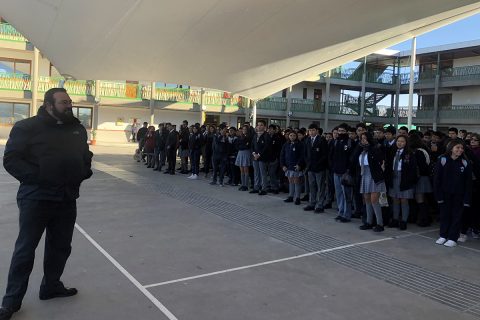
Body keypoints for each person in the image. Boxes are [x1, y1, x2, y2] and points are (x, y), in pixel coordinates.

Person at [0, 88, 93, 320]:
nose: (69, 106)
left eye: (70, 101)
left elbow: (85, 155)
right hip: (36, 198)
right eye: (64, 102)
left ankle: (50, 286)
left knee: (61, 246)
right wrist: (40, 176)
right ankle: (11, 302)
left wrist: (83, 171)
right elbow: (11, 160)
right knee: (25, 249)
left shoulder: (76, 128)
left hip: (66, 198)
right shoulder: (27, 128)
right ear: (49, 105)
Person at [434, 139, 472, 247]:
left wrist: (466, 199)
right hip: (445, 194)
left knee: (456, 217)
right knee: (444, 215)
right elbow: (437, 179)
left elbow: (468, 183)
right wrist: (438, 195)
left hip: (459, 195)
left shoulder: (465, 162)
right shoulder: (442, 160)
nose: (460, 150)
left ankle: (452, 237)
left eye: (461, 148)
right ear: (451, 148)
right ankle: (443, 235)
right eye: (457, 148)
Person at [353, 132, 387, 232]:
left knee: (374, 200)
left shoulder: (375, 148)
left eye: (365, 138)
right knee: (366, 199)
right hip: (364, 175)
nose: (363, 140)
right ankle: (368, 222)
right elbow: (353, 159)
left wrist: (370, 147)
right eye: (361, 138)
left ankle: (380, 223)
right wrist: (359, 147)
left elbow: (380, 159)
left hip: (374, 176)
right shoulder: (361, 150)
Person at [386, 135, 418, 230]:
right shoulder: (392, 152)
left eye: (402, 141)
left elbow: (413, 168)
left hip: (404, 178)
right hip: (394, 177)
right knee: (395, 199)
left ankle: (404, 220)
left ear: (406, 143)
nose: (400, 143)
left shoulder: (409, 153)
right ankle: (395, 219)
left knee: (404, 199)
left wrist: (410, 179)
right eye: (398, 141)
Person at [303, 124, 328, 214]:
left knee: (320, 186)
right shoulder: (307, 140)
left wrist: (318, 164)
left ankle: (320, 204)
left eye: (313, 130)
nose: (311, 132)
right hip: (310, 167)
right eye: (310, 130)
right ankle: (312, 203)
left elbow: (325, 155)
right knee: (312, 186)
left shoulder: (322, 140)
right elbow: (305, 153)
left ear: (317, 131)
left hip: (319, 167)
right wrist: (308, 163)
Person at [281, 131, 305, 205]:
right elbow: (282, 155)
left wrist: (299, 165)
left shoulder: (300, 144)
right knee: (290, 181)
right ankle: (290, 196)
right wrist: (283, 165)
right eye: (290, 135)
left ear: (296, 136)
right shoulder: (286, 144)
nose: (292, 137)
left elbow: (302, 156)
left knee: (297, 182)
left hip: (296, 166)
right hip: (288, 166)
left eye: (294, 135)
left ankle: (297, 197)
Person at [250, 120, 271, 195]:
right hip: (254, 157)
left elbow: (266, 147)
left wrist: (259, 154)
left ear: (265, 127)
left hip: (262, 157)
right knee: (256, 173)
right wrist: (254, 154)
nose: (259, 126)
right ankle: (256, 187)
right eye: (258, 125)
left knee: (263, 173)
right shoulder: (255, 135)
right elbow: (252, 145)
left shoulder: (266, 135)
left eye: (261, 125)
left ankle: (264, 188)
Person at [235, 125, 252, 191]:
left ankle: (246, 185)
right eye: (243, 129)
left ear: (247, 130)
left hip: (246, 153)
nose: (244, 130)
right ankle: (242, 184)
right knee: (241, 170)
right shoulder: (239, 137)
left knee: (246, 170)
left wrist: (242, 146)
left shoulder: (249, 137)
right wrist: (242, 146)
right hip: (240, 153)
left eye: (245, 129)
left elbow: (247, 146)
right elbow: (237, 146)